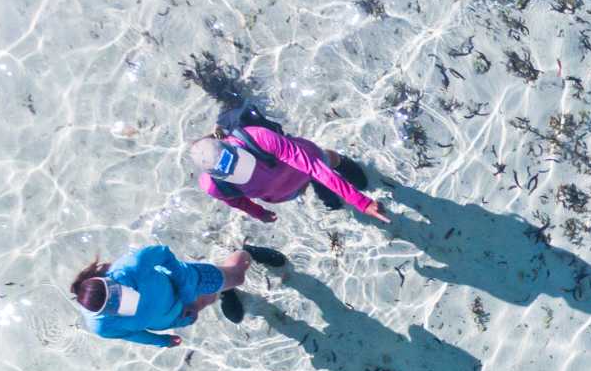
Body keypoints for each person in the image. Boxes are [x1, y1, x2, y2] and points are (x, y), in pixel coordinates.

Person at [69, 244, 284, 347]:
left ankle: (248, 252)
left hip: (185, 281)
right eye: (117, 307)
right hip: (174, 315)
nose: (124, 302)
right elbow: (129, 334)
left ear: (111, 281)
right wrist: (160, 340)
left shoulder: (133, 265)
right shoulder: (101, 327)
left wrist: (188, 295)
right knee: (208, 300)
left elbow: (164, 254)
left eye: (121, 294)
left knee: (237, 277)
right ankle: (222, 293)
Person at [189, 122, 389, 224]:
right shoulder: (214, 187)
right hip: (285, 193)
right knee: (311, 185)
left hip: (305, 164)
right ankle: (321, 188)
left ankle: (342, 164)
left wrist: (361, 201)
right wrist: (259, 213)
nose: (244, 171)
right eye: (234, 172)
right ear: (217, 176)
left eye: (238, 162)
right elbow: (237, 201)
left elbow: (313, 165)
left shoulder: (258, 137)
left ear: (227, 143)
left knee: (327, 161)